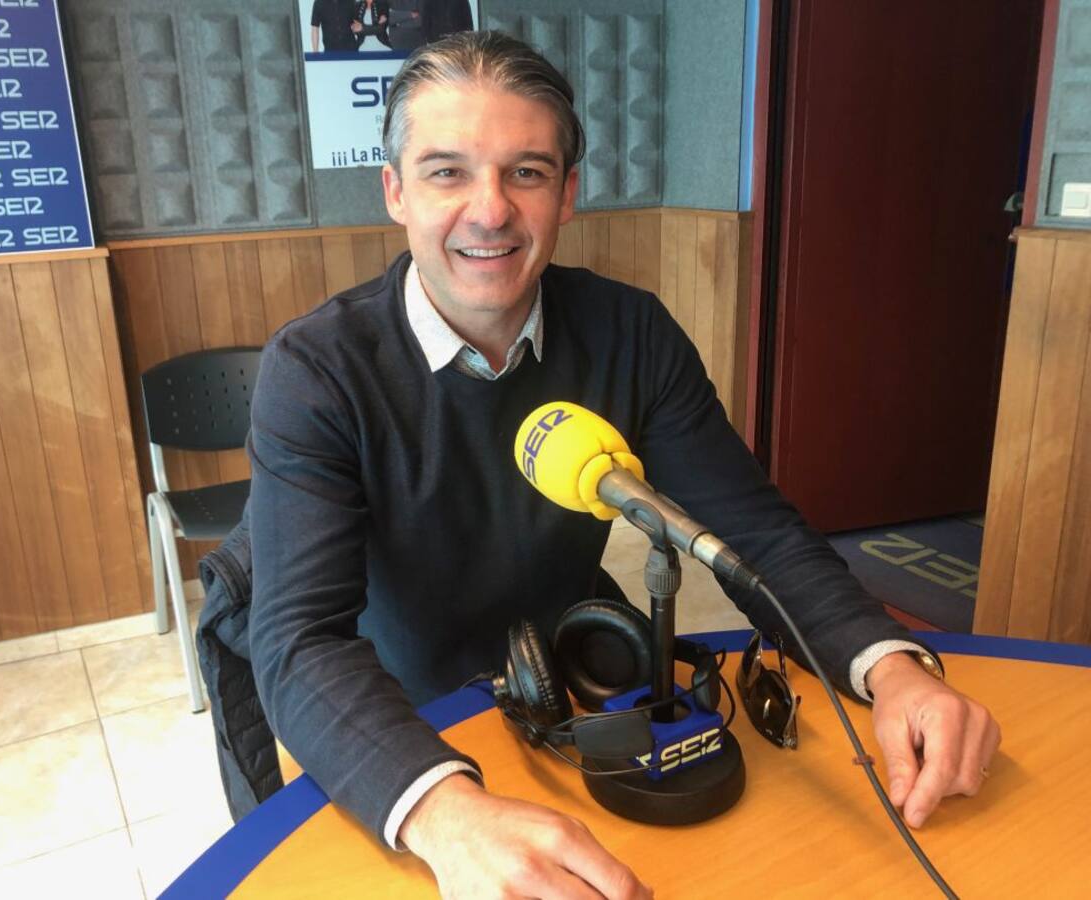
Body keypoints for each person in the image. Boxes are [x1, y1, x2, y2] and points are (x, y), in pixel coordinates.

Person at [248, 31, 1001, 899]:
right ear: (396, 192)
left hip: (576, 675)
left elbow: (752, 533)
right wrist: (445, 813)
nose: (490, 210)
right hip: (395, 712)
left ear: (568, 194)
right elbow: (301, 640)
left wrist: (890, 667)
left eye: (527, 172)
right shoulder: (316, 371)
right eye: (447, 172)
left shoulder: (631, 333)